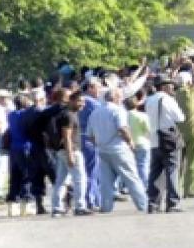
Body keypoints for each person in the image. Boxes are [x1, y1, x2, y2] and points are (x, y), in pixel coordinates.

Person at [88, 88, 148, 213]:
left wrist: (99, 144)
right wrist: (130, 142)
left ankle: (106, 206)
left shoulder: (95, 112)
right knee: (131, 177)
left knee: (106, 181)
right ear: (115, 98)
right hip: (119, 148)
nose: (122, 99)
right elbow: (122, 128)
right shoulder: (118, 110)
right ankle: (143, 204)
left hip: (103, 150)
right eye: (120, 97)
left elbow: (90, 135)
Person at [145, 76, 186, 213]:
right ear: (163, 87)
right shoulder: (168, 100)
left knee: (155, 173)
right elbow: (180, 117)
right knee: (172, 170)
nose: (173, 88)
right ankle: (173, 203)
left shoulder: (148, 100)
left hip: (153, 139)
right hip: (168, 139)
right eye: (170, 85)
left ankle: (153, 203)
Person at [50, 90, 91, 217]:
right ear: (71, 101)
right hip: (71, 150)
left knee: (61, 180)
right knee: (80, 179)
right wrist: (70, 154)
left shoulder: (67, 114)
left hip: (62, 151)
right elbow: (66, 136)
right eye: (79, 101)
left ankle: (57, 207)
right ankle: (80, 206)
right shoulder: (69, 115)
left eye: (83, 102)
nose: (82, 104)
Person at [175, 70, 194, 198]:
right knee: (193, 161)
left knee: (178, 163)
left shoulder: (174, 95)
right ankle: (190, 190)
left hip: (178, 132)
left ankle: (176, 188)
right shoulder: (193, 93)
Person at [24, 88, 53, 214]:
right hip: (45, 147)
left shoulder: (26, 113)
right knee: (55, 175)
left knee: (37, 177)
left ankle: (39, 204)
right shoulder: (45, 113)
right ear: (42, 99)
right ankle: (63, 201)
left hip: (32, 147)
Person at [5, 95, 33, 216]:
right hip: (25, 146)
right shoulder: (26, 115)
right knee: (26, 175)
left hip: (14, 147)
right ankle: (25, 204)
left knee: (15, 176)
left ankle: (12, 203)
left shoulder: (11, 115)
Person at [78, 78, 102, 211]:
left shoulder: (80, 101)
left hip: (80, 138)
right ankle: (91, 199)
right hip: (90, 139)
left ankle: (94, 198)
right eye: (98, 87)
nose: (100, 90)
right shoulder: (92, 103)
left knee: (87, 171)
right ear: (90, 88)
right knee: (92, 171)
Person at [126, 95, 151, 189]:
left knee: (131, 167)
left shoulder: (124, 116)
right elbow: (148, 131)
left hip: (129, 144)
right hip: (142, 142)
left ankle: (130, 186)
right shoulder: (143, 116)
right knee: (143, 166)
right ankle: (145, 185)